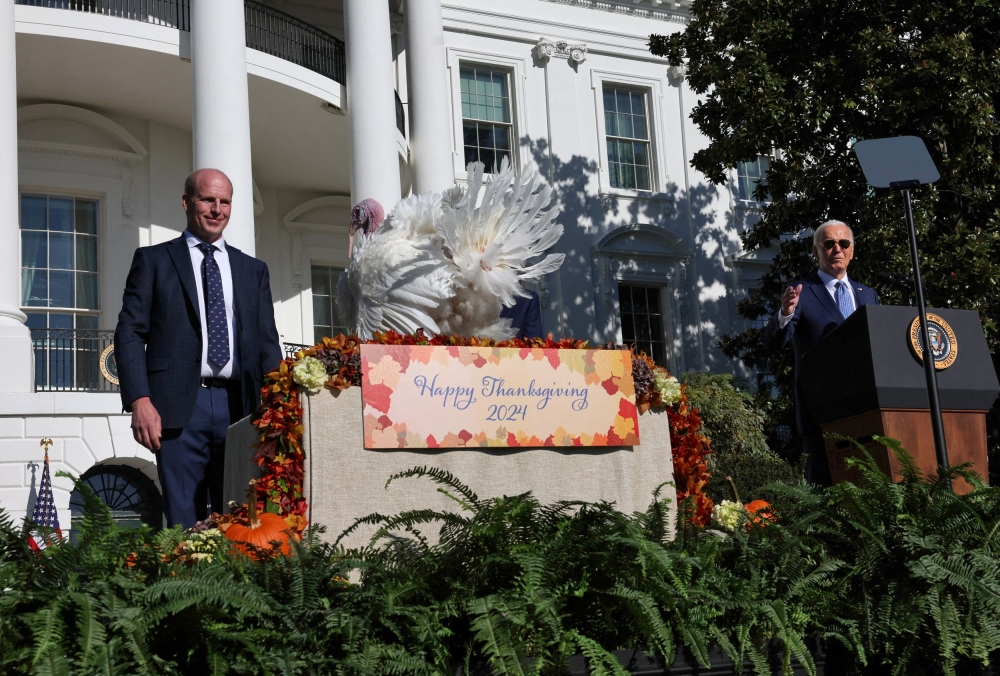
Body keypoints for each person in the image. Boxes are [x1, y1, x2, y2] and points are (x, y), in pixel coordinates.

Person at [115, 169, 282, 528]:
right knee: (184, 523)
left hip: (241, 408)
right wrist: (139, 401)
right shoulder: (154, 260)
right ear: (187, 202)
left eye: (224, 202)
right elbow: (129, 333)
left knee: (241, 518)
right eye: (208, 199)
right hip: (177, 409)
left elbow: (268, 344)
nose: (217, 209)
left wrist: (279, 409)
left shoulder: (253, 271)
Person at [762, 219, 878, 486]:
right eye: (829, 244)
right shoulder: (802, 292)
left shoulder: (868, 294)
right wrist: (785, 314)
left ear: (852, 250)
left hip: (867, 407)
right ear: (816, 251)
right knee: (827, 490)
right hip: (822, 410)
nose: (837, 249)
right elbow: (774, 343)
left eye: (843, 243)